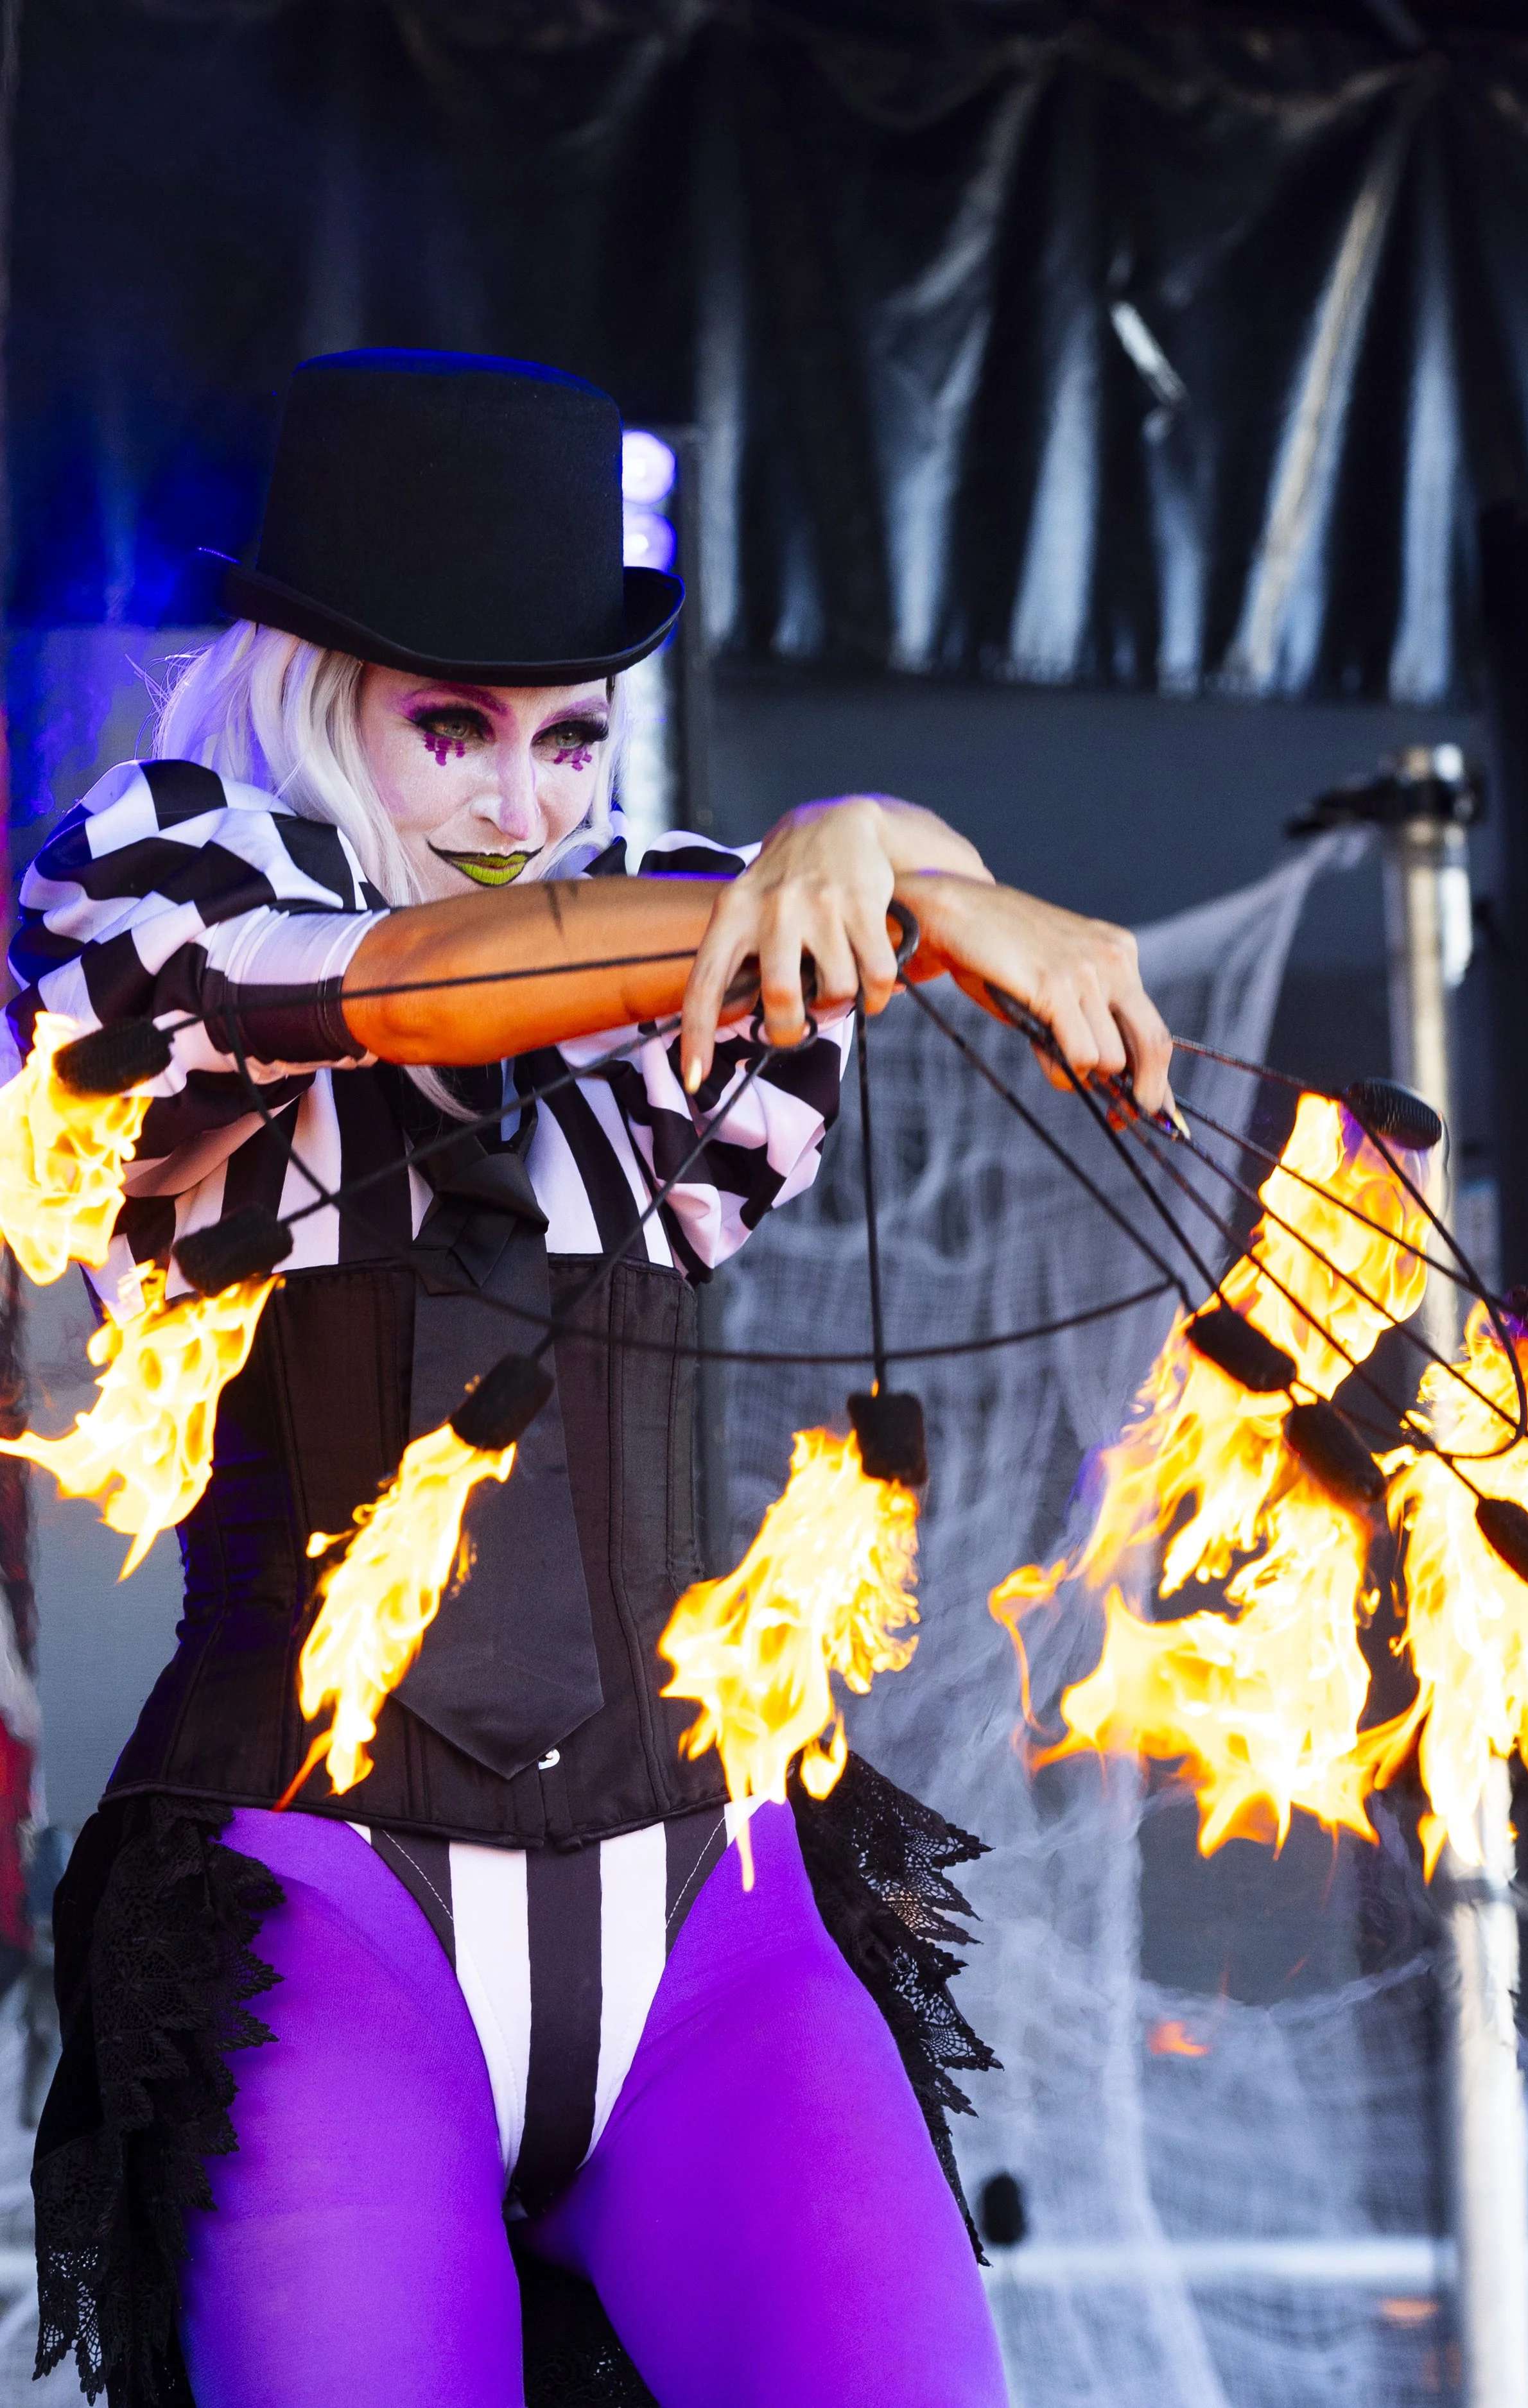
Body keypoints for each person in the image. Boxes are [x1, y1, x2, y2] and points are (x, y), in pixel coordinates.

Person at [16, 351, 1171, 2408]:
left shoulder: (679, 936)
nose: (519, 800)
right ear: (306, 693)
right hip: (320, 1911)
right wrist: (875, 864)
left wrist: (861, 832)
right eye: (446, 727)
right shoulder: (159, 877)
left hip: (717, 1922)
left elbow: (676, 938)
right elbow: (414, 991)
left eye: (568, 739)